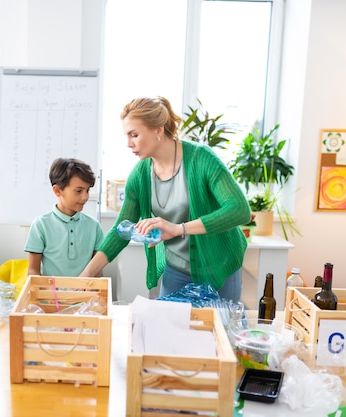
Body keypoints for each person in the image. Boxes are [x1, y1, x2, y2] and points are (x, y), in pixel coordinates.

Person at [80, 96, 251, 302]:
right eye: (126, 135)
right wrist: (86, 274)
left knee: (219, 331)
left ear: (158, 130)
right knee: (167, 329)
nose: (128, 143)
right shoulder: (141, 174)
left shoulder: (201, 159)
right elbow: (120, 231)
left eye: (134, 135)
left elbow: (239, 209)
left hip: (219, 264)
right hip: (176, 269)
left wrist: (179, 229)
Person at [25, 157, 104, 277]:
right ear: (57, 190)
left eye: (87, 190)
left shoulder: (94, 226)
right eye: (78, 191)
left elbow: (97, 272)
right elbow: (33, 271)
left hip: (85, 295)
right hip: (51, 295)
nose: (85, 197)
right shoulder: (40, 225)